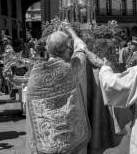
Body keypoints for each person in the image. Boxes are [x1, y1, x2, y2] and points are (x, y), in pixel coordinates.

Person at [26, 26, 90, 154]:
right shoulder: (72, 67)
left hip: (46, 140)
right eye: (68, 47)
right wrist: (72, 32)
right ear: (66, 49)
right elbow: (82, 49)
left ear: (48, 49)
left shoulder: (36, 72)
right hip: (72, 138)